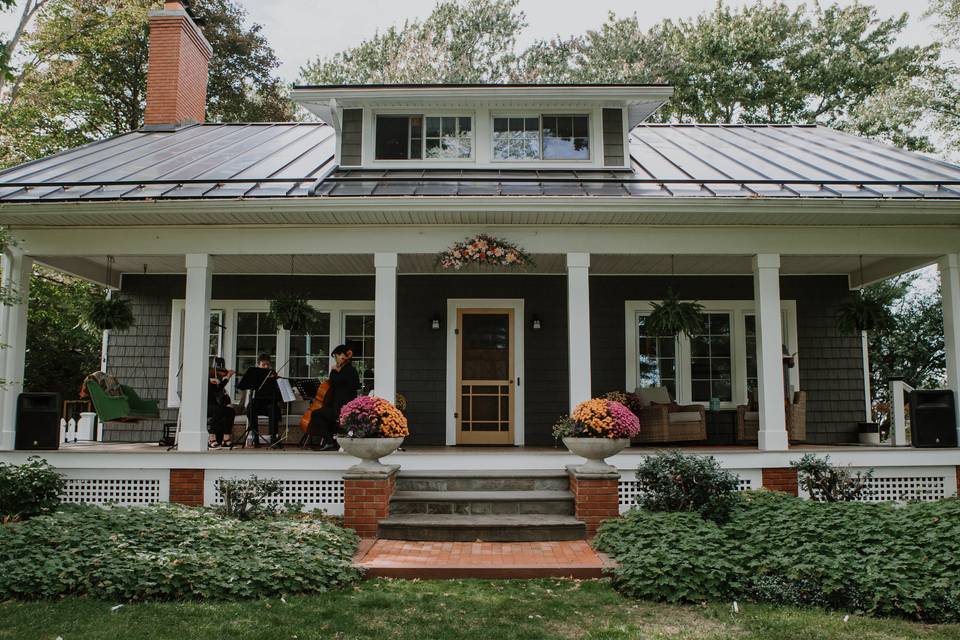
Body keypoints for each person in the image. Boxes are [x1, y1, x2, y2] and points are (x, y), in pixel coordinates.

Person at [308, 344, 360, 451]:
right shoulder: (349, 370)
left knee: (316, 414)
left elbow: (333, 381)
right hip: (340, 407)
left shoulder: (347, 371)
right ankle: (332, 441)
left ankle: (329, 442)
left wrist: (334, 370)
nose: (336, 359)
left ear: (343, 356)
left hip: (341, 409)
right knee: (323, 413)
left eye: (336, 356)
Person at [245, 353, 283, 447]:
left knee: (273, 409)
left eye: (267, 365)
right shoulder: (254, 377)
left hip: (270, 404)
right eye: (263, 365)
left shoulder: (273, 377)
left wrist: (276, 381)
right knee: (250, 407)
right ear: (258, 365)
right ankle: (255, 436)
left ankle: (273, 437)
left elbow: (280, 396)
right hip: (258, 404)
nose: (266, 367)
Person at [207, 356, 235, 448]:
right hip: (204, 407)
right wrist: (227, 378)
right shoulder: (208, 379)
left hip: (214, 406)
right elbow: (218, 389)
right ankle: (211, 438)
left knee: (230, 411)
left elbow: (219, 390)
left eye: (221, 370)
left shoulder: (215, 380)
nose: (220, 372)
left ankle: (226, 438)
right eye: (218, 370)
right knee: (217, 410)